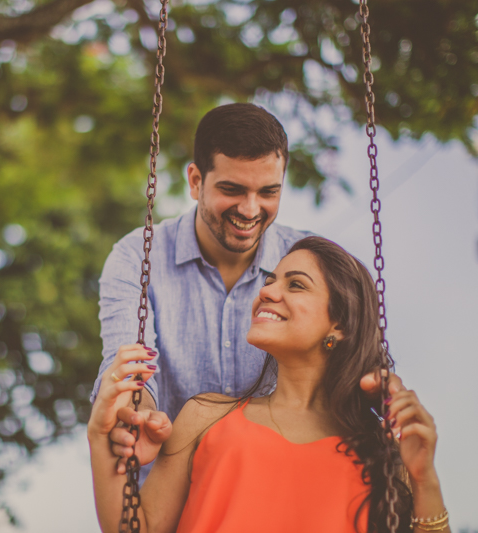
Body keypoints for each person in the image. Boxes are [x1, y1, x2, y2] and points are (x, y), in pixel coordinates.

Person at [91, 103, 406, 473]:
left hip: (276, 481)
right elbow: (129, 363)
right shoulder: (137, 256)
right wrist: (137, 410)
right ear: (196, 181)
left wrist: (380, 391)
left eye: (268, 192)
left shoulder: (310, 262)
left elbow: (353, 359)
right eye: (232, 189)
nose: (250, 209)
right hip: (167, 484)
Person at [89, 237, 449, 533]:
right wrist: (100, 436)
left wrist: (424, 479)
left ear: (339, 324)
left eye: (296, 285)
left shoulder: (380, 451)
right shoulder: (204, 416)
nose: (268, 292)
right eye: (269, 281)